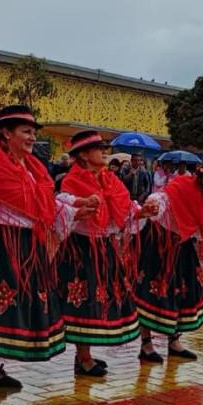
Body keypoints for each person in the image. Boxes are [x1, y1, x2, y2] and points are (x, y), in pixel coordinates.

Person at [0, 105, 94, 400]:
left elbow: (42, 206)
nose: (32, 137)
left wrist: (75, 208)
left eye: (34, 131)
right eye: (26, 131)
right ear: (6, 134)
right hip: (0, 243)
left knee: (13, 306)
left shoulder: (32, 168)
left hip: (27, 244)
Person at [54, 130, 158, 376]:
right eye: (98, 148)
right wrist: (81, 207)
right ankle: (83, 357)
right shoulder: (72, 180)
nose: (104, 151)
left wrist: (141, 212)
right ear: (83, 155)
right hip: (81, 247)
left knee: (98, 299)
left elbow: (123, 207)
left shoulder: (110, 180)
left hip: (105, 246)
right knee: (84, 300)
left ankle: (85, 355)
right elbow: (65, 203)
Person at [135, 159, 203, 361]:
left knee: (182, 293)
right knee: (152, 293)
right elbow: (162, 197)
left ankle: (174, 341)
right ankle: (146, 344)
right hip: (160, 245)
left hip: (183, 246)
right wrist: (153, 205)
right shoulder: (181, 186)